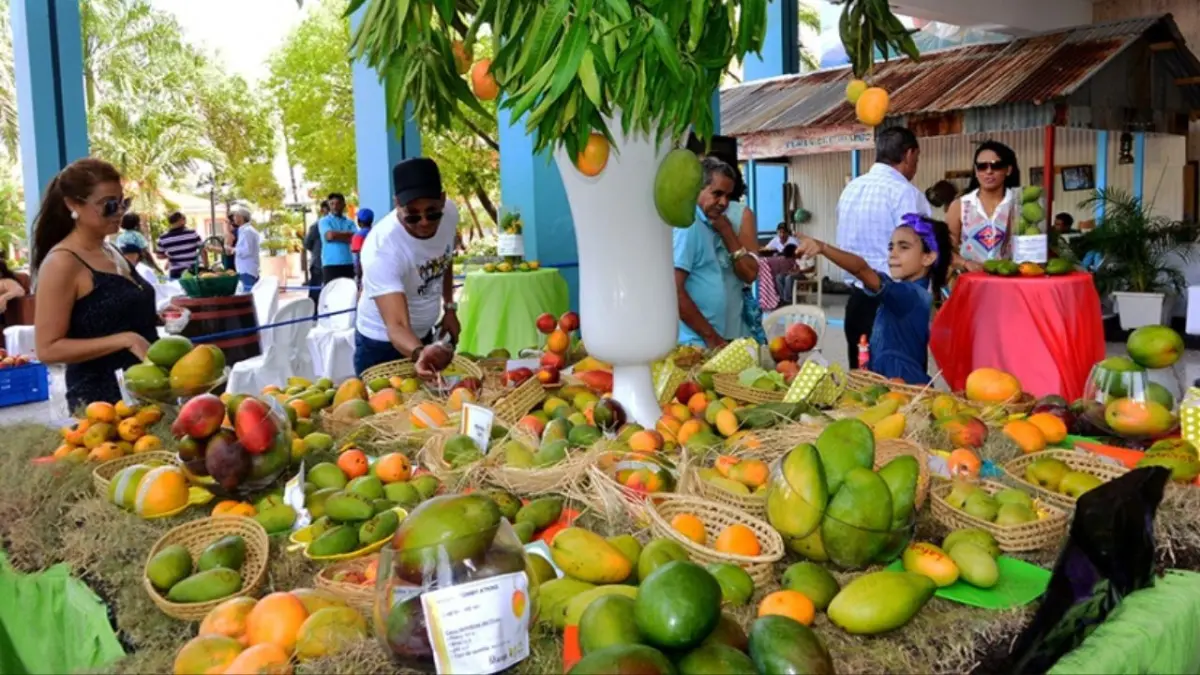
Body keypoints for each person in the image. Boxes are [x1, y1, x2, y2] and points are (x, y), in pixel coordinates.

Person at [32, 158, 159, 410]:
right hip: (102, 406)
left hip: (147, 393)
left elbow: (108, 315)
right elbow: (47, 349)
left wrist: (154, 316)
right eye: (109, 205)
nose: (120, 212)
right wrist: (126, 339)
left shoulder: (111, 249)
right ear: (73, 205)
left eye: (124, 202)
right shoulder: (63, 263)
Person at [796, 214, 952, 385]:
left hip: (901, 386)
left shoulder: (910, 295)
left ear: (928, 257)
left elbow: (862, 270)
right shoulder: (908, 292)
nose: (893, 254)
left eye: (904, 247)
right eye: (891, 247)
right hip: (893, 381)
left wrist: (823, 248)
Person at [835, 126, 931, 368]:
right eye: (916, 159)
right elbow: (920, 249)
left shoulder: (851, 189)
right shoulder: (905, 193)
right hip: (892, 303)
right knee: (899, 388)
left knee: (861, 385)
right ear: (909, 154)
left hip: (856, 301)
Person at [354, 158, 460, 378]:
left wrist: (449, 308)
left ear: (443, 200)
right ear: (397, 205)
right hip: (380, 344)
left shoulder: (450, 214)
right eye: (412, 215)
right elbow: (397, 324)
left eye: (432, 212)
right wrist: (421, 353)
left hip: (425, 336)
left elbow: (445, 258)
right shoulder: (382, 248)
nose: (423, 221)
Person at [673, 157, 760, 347]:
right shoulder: (689, 226)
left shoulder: (711, 224)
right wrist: (710, 336)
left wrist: (727, 232)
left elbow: (750, 273)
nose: (723, 203)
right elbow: (674, 290)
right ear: (696, 189)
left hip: (712, 336)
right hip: (694, 341)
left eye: (728, 196)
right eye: (717, 194)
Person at [946, 140, 1022, 271]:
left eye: (996, 166)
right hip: (971, 284)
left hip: (1009, 283)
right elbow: (945, 248)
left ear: (1008, 170)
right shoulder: (960, 206)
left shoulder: (1019, 204)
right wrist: (965, 263)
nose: (989, 171)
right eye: (982, 166)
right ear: (975, 171)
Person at [319, 193, 357, 284]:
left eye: (338, 203)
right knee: (331, 294)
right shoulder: (324, 221)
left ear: (343, 205)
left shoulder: (350, 222)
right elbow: (329, 236)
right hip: (330, 264)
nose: (335, 206)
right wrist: (347, 235)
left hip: (348, 263)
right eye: (332, 204)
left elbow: (355, 238)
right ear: (329, 205)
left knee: (349, 294)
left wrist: (336, 235)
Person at [156, 211, 202, 279]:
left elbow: (159, 256)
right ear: (181, 220)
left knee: (177, 289)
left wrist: (169, 256)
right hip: (193, 270)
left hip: (175, 271)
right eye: (184, 219)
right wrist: (206, 267)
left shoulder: (163, 238)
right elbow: (203, 248)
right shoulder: (192, 234)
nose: (185, 221)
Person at [304, 200, 329, 316]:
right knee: (315, 290)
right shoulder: (316, 225)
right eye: (329, 207)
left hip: (331, 263)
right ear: (323, 210)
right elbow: (307, 243)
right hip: (318, 263)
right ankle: (313, 313)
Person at [229, 206, 261, 291]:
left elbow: (247, 251)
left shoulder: (247, 231)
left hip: (247, 270)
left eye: (235, 216)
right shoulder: (245, 230)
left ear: (241, 217)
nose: (234, 218)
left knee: (248, 296)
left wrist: (233, 250)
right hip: (246, 269)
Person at [352, 208, 374, 287]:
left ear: (359, 221)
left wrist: (358, 275)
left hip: (364, 271)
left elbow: (358, 257)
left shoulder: (358, 236)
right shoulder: (375, 232)